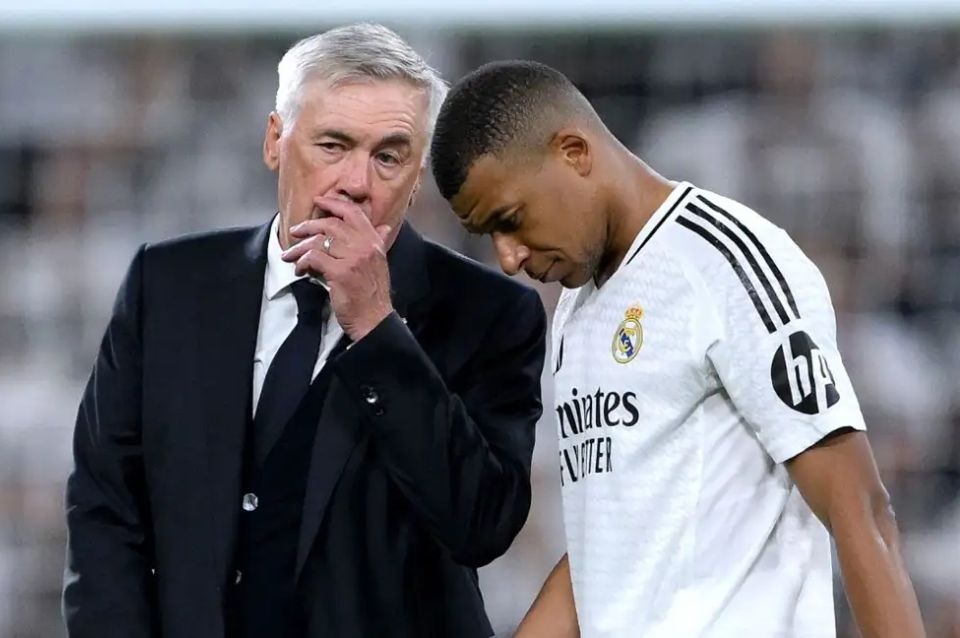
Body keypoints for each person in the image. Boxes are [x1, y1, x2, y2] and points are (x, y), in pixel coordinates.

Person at [63, 26, 546, 638]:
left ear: (418, 175)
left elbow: (481, 525)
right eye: (333, 145)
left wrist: (377, 327)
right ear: (275, 141)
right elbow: (105, 511)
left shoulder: (489, 314)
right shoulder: (168, 285)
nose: (356, 183)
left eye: (389, 156)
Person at [429, 60, 926, 638]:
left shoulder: (726, 263)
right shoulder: (576, 311)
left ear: (573, 152)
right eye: (488, 234)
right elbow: (606, 551)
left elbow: (860, 509)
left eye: (511, 220)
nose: (508, 257)